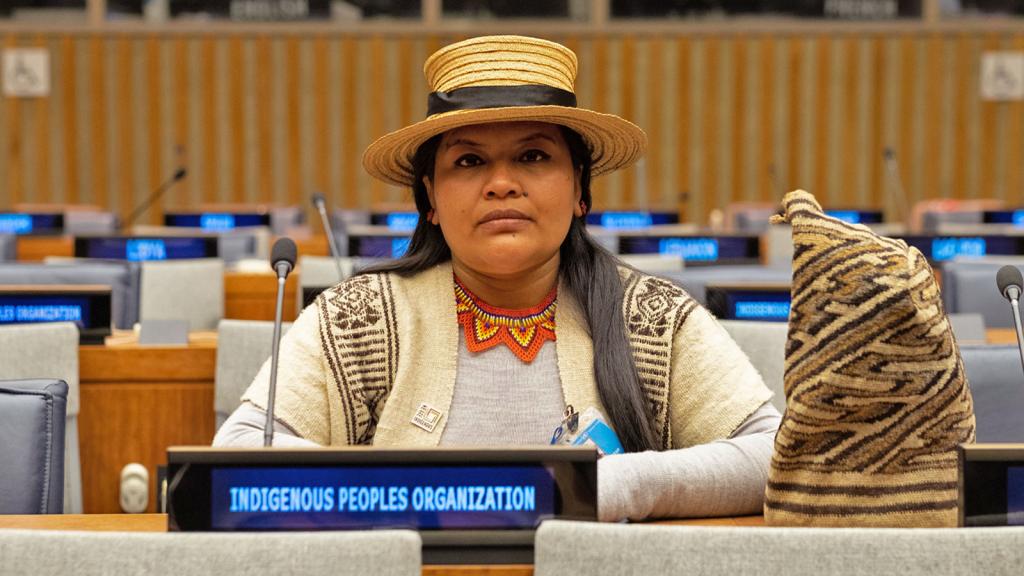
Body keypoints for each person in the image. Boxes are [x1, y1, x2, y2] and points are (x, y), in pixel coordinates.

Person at [214, 35, 780, 522]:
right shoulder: (361, 315)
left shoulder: (650, 317)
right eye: (468, 162)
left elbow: (774, 455)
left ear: (581, 189)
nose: (502, 184)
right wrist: (430, 494)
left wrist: (609, 486)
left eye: (533, 156)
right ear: (430, 198)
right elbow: (240, 451)